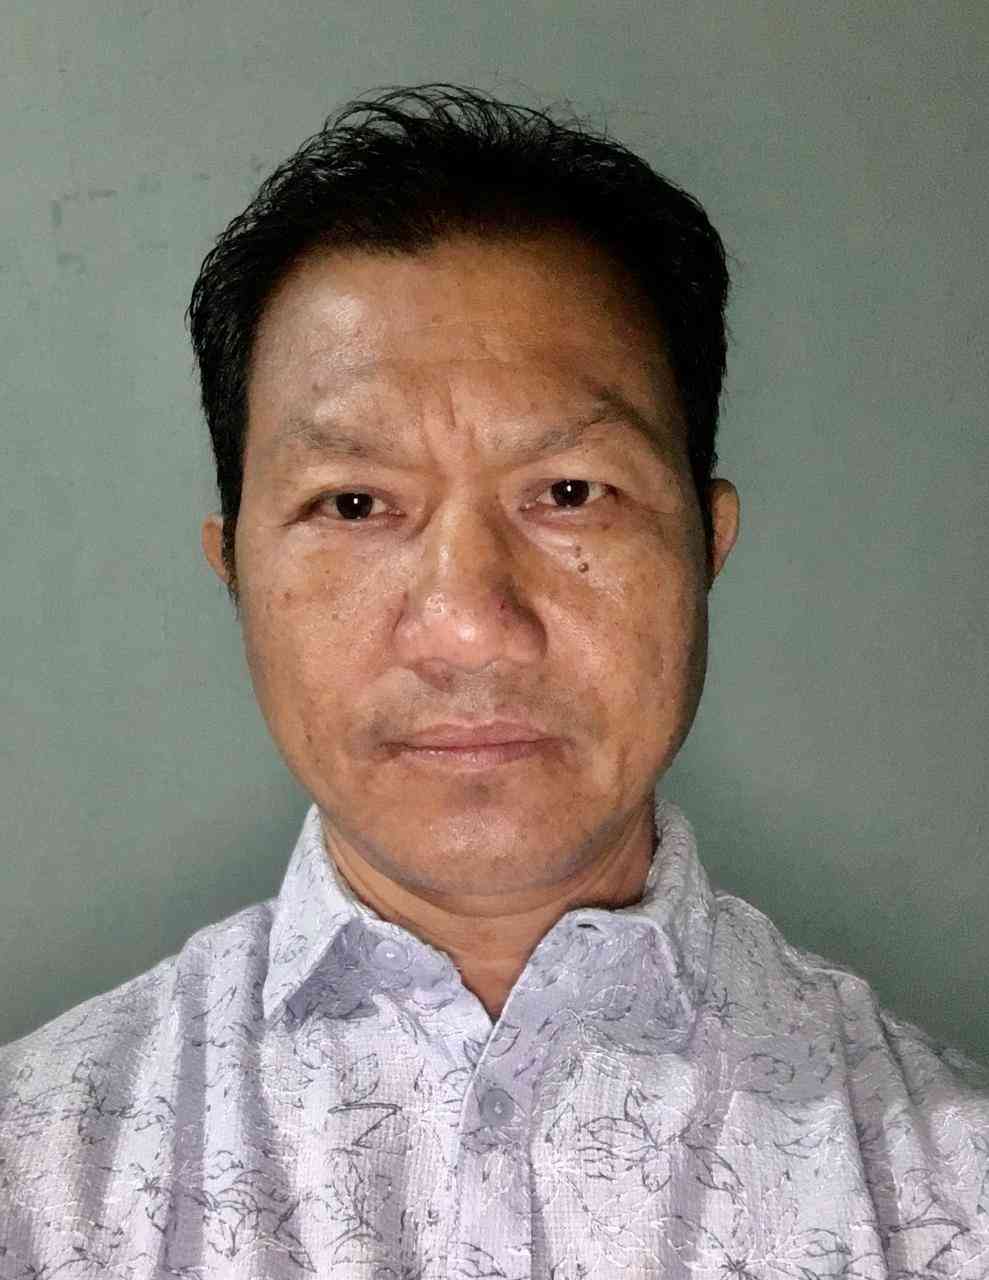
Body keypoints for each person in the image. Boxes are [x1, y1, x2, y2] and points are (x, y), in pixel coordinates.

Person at [1, 83, 986, 1279]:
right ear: (236, 571)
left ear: (705, 543)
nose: (469, 626)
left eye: (568, 492)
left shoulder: (946, 1192)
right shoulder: (38, 1177)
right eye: (353, 502)